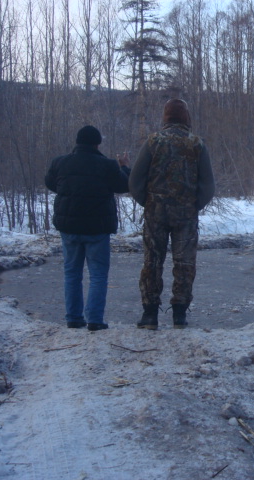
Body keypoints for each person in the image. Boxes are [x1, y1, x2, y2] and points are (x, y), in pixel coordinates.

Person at [129, 98, 215, 330]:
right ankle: (179, 315)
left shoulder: (153, 141)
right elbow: (208, 185)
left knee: (152, 261)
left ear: (165, 117)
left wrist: (148, 203)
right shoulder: (196, 144)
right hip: (185, 216)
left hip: (155, 214)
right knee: (185, 263)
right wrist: (194, 205)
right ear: (186, 117)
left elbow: (135, 181)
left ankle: (149, 315)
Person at [45, 125, 131, 331]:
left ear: (77, 141)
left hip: (69, 227)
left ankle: (74, 318)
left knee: (72, 273)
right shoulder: (108, 165)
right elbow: (123, 186)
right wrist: (124, 167)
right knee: (98, 275)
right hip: (97, 229)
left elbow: (51, 183)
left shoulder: (59, 162)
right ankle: (94, 320)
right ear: (97, 144)